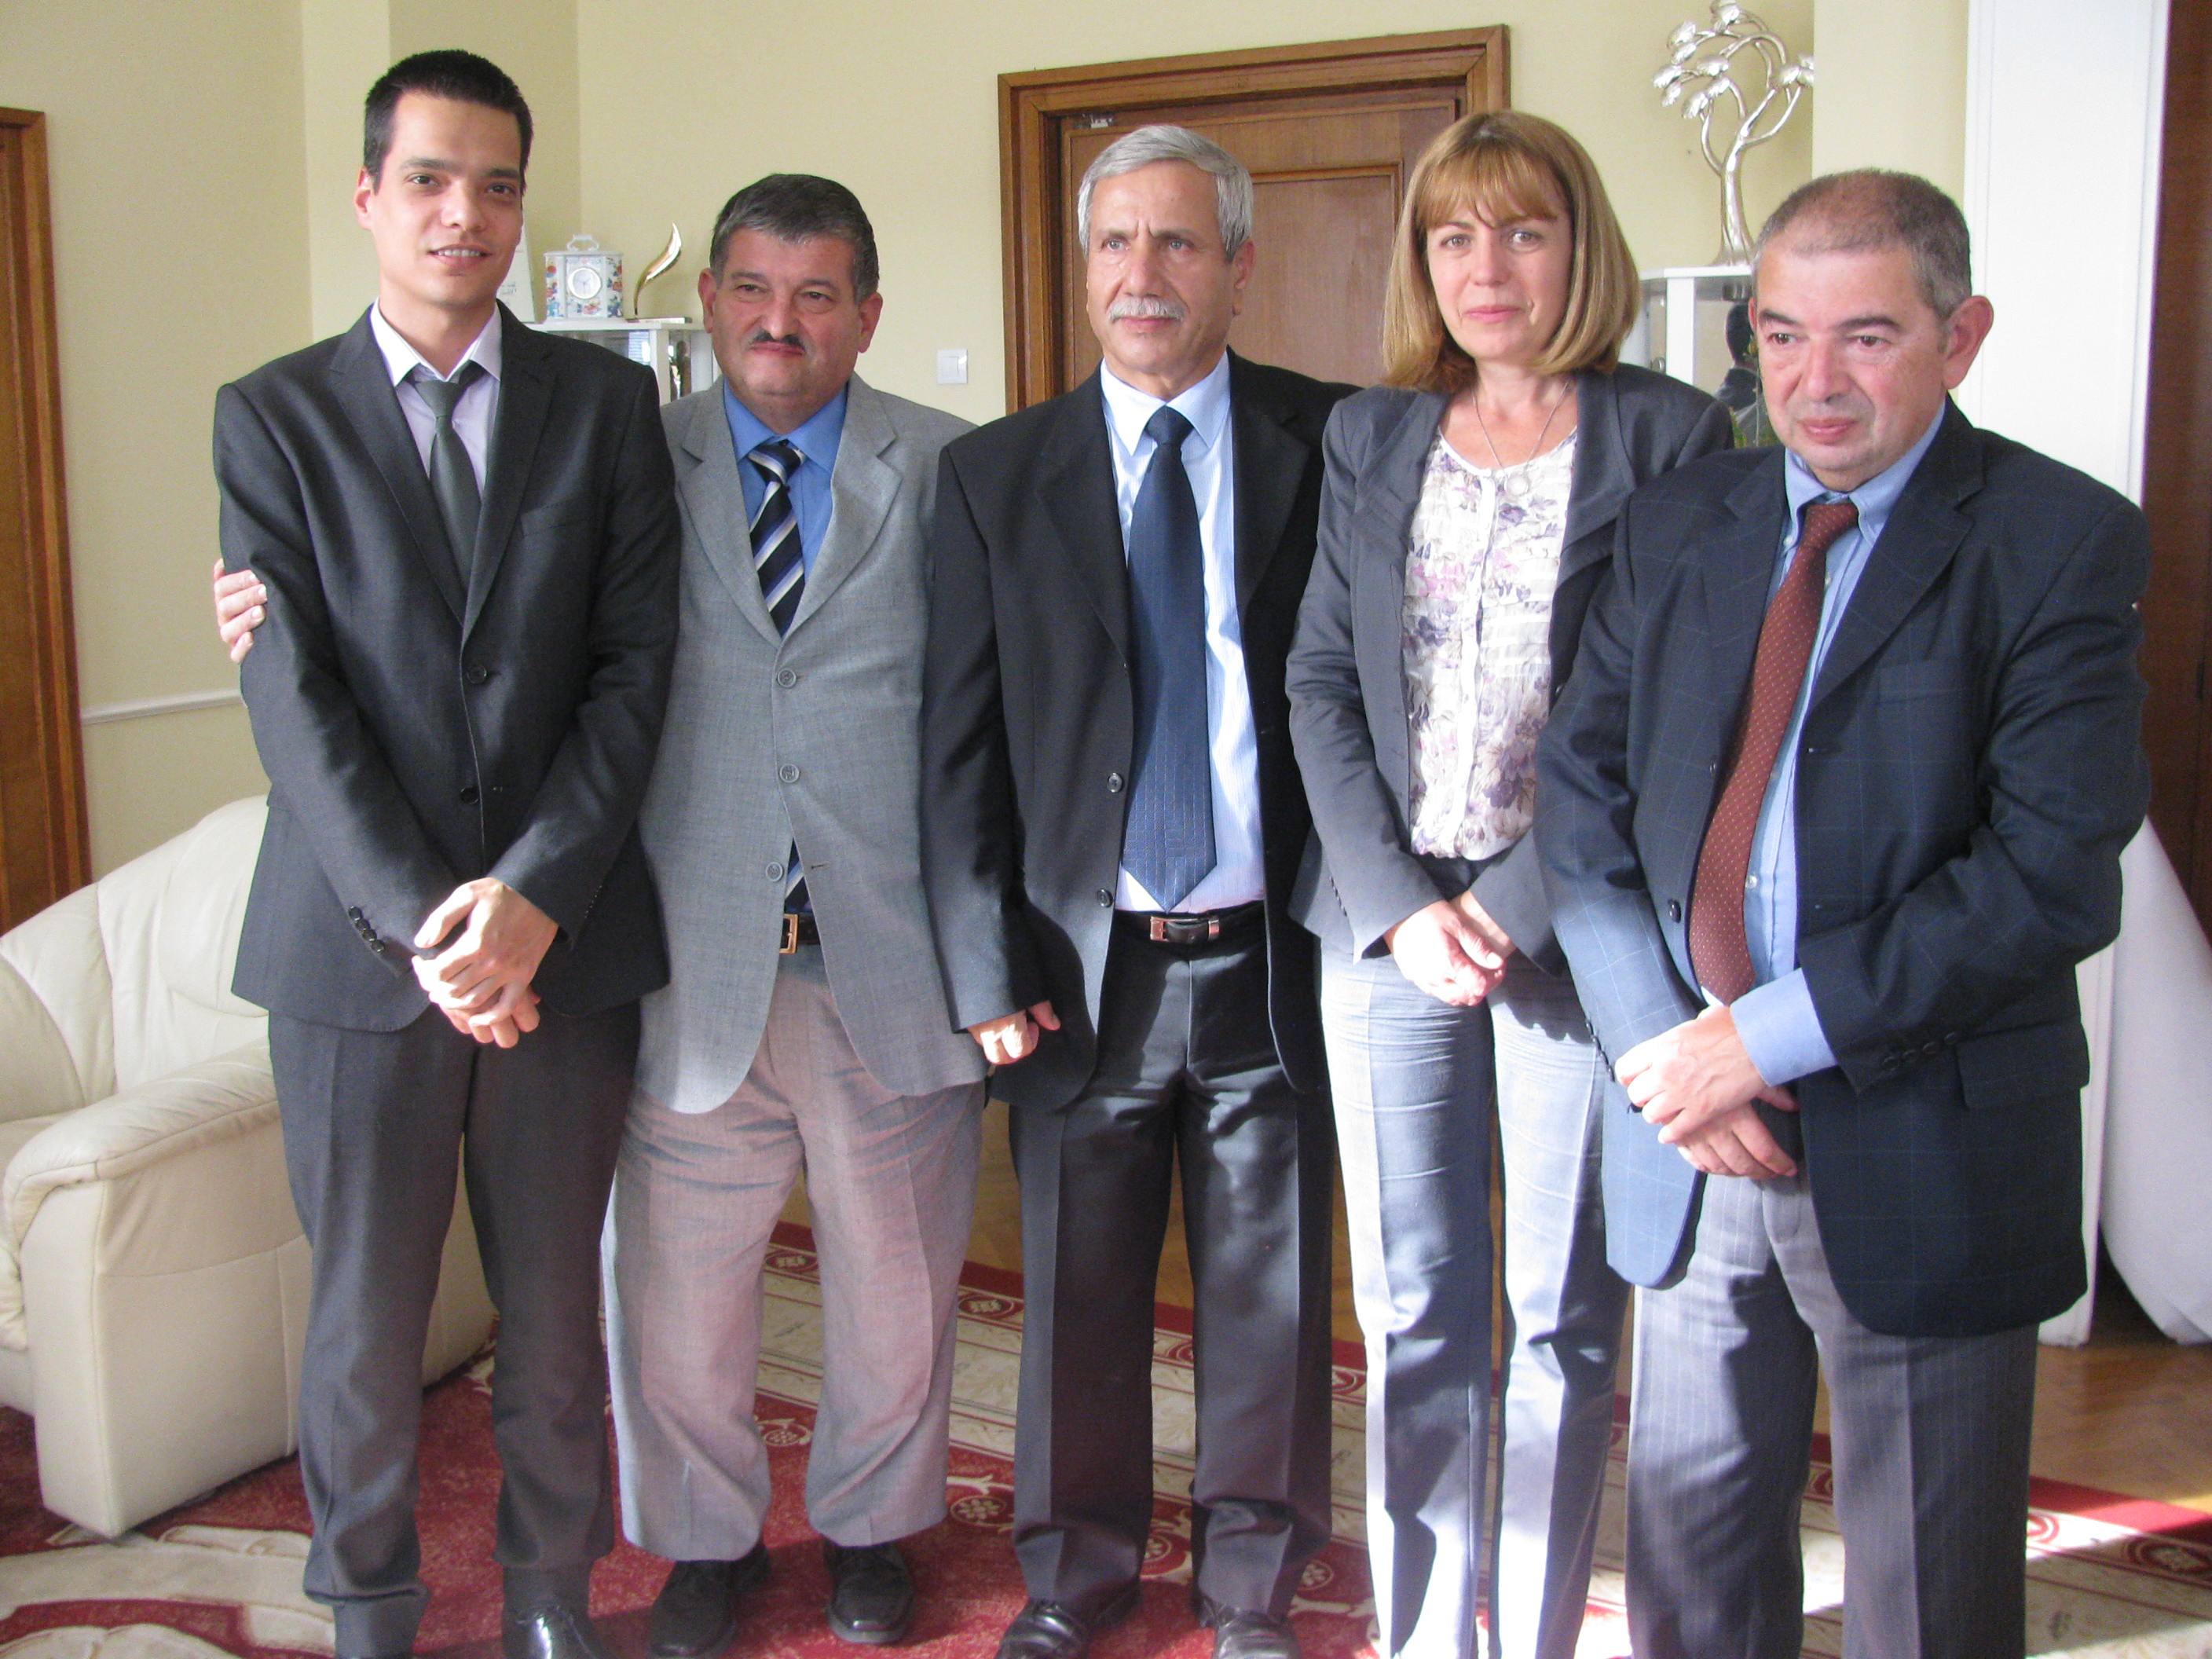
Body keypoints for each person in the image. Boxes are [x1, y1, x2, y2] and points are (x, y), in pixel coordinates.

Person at [217, 174, 985, 1658]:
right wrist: (270, 608)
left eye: (817, 294)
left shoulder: (955, 468)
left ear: (870, 314)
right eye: (751, 288)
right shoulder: (632, 444)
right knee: (674, 1307)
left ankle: (872, 1530)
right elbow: (493, 622)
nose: (779, 320)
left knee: (898, 1295)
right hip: (686, 962)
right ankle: (701, 1544)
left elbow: (989, 715)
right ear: (708, 303)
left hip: (885, 961)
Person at [1535, 170, 2149, 1657]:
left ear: (1961, 335)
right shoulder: (1680, 520)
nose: (1815, 383)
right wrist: (1668, 1051)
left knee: (1927, 1602)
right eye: (1783, 335)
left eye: (1867, 336)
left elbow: (2050, 869)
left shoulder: (2060, 539)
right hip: (1693, 1134)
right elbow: (1581, 795)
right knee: (1690, 1577)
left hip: (1928, 1134)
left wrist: (1764, 1039)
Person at [212, 49, 677, 1659]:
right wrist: (440, 933)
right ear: (368, 196)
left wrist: (532, 901)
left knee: (555, 1317)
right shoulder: (271, 418)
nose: (461, 213)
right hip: (355, 964)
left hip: (570, 946)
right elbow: (294, 702)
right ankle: (369, 1606)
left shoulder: (607, 407)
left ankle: (550, 1599)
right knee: (363, 1323)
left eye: (495, 183)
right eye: (427, 178)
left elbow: (634, 672)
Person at [1284, 111, 1729, 1659]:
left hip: (1578, 928)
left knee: (1559, 1315)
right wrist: (1401, 902)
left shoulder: (1671, 436)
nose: (1486, 266)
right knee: (1412, 1304)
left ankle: (1530, 1631)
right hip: (1385, 929)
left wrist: (1517, 902)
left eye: (1523, 230)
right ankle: (1425, 1634)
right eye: (1452, 235)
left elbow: (1673, 707)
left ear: (1577, 248)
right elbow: (1319, 682)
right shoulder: (1372, 434)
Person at [918, 126, 1347, 1659]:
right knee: (1075, 1297)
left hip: (1270, 958)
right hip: (1074, 967)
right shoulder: (994, 476)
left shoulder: (1333, 444)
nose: (1140, 274)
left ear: (1238, 266)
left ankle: (1250, 1588)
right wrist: (981, 966)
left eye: (1177, 242)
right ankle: (1075, 1576)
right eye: (1114, 243)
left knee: (1270, 1295)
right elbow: (955, 747)